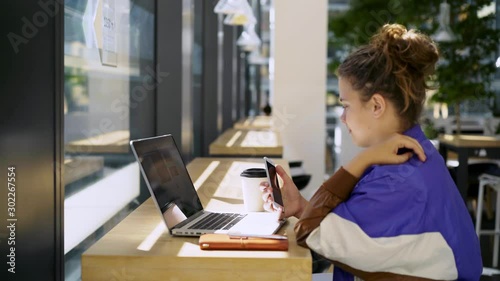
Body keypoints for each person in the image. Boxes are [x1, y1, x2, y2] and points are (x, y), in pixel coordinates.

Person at [261, 24, 482, 280]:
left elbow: (309, 233)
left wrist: (362, 159)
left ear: (376, 105)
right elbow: (353, 233)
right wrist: (301, 206)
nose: (343, 117)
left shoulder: (397, 180)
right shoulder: (409, 160)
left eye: (346, 105)